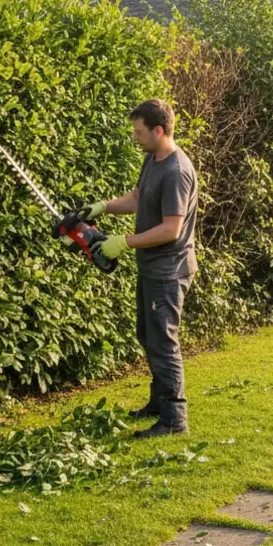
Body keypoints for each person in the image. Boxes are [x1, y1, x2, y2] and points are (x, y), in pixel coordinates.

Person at [77, 98, 199, 438]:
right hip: (152, 268)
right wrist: (100, 207)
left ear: (159, 131)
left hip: (169, 271)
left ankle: (174, 419)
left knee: (163, 341)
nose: (135, 137)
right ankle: (159, 402)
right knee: (147, 335)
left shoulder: (176, 171)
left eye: (140, 131)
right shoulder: (154, 159)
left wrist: (124, 242)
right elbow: (137, 198)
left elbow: (170, 229)